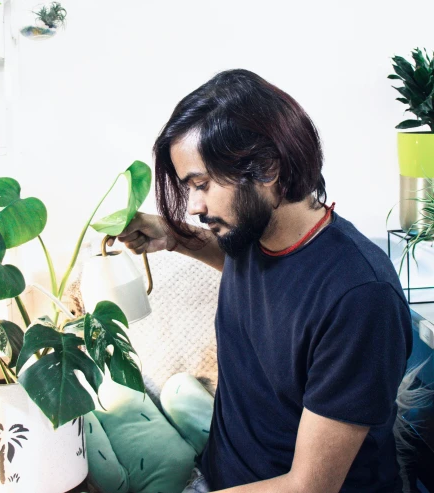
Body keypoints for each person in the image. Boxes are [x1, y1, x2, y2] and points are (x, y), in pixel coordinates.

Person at [111, 69, 413, 493]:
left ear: (267, 167)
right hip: (221, 474)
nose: (194, 206)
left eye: (202, 184)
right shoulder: (252, 234)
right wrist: (173, 237)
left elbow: (309, 486)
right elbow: (253, 273)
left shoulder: (360, 297)